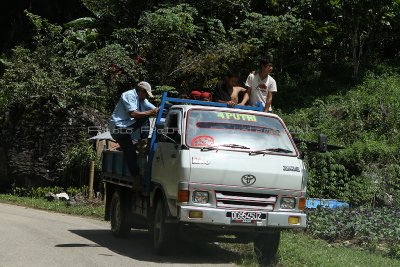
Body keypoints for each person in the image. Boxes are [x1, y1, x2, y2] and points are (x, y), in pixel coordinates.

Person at [109, 81, 158, 184]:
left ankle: (136, 180)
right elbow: (133, 114)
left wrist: (161, 111)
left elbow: (154, 109)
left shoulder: (141, 99)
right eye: (146, 94)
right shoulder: (129, 95)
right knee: (144, 118)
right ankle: (143, 144)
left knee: (130, 153)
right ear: (141, 91)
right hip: (118, 128)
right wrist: (150, 112)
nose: (145, 97)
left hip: (124, 131)